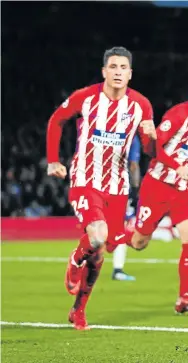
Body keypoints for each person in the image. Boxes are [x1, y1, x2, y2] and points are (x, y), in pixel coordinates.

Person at [46, 46, 156, 330]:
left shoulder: (141, 105)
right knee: (97, 237)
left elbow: (147, 149)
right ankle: (74, 260)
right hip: (85, 179)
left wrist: (151, 139)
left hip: (117, 187)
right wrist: (53, 160)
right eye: (113, 67)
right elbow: (56, 120)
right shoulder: (85, 97)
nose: (118, 72)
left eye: (123, 68)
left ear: (130, 74)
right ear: (104, 71)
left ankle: (78, 310)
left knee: (101, 251)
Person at [109, 71, 188, 314]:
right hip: (157, 186)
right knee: (139, 242)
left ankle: (184, 298)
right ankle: (111, 235)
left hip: (185, 190)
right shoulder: (178, 115)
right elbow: (155, 148)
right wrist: (177, 166)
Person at [110, 134, 141, 281]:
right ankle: (118, 269)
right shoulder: (131, 138)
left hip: (97, 183)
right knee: (121, 227)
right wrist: (135, 190)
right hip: (121, 186)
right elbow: (133, 165)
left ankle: (82, 262)